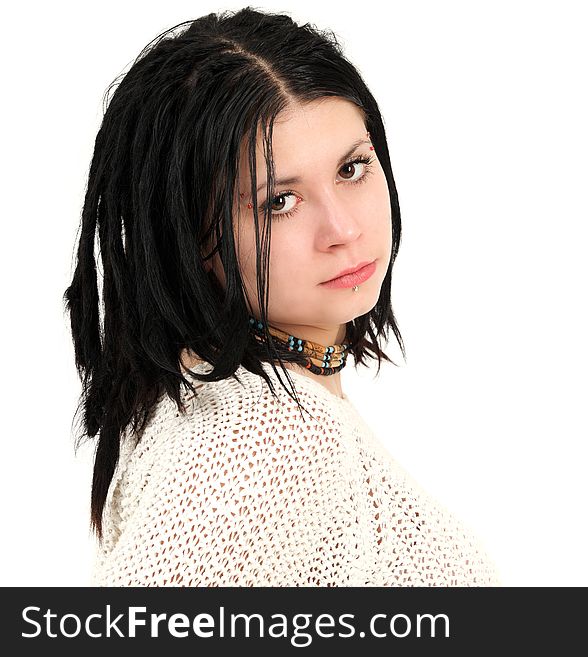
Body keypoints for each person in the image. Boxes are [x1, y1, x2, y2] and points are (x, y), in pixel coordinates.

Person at [63, 7, 502, 586]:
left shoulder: (218, 397)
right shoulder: (266, 434)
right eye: (279, 202)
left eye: (352, 168)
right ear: (190, 237)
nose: (343, 229)